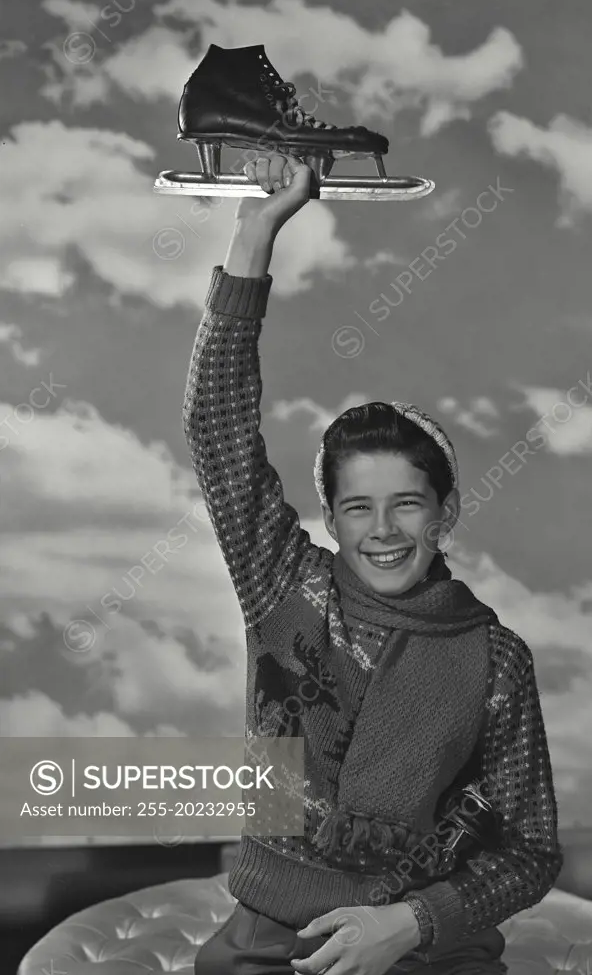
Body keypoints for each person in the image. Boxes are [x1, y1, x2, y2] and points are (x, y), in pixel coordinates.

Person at [184, 154, 564, 975]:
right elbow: (216, 425)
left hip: (425, 946)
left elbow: (529, 851)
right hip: (269, 939)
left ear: (446, 511)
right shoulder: (285, 583)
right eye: (358, 507)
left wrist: (412, 924)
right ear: (330, 518)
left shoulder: (494, 661)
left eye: (408, 504)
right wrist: (256, 232)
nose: (383, 530)